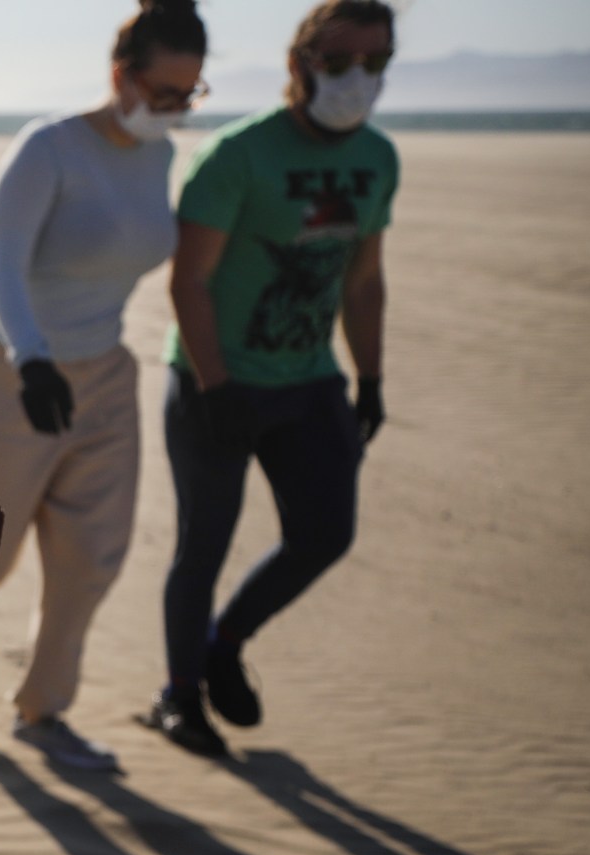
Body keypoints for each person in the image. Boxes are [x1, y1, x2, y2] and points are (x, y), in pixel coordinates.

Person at [0, 0, 209, 773]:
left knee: (92, 558)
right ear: (121, 76)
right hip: (8, 369)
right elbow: (5, 269)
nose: (174, 111)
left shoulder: (160, 156)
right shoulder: (49, 149)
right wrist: (31, 360)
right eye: (163, 93)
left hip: (105, 375)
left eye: (189, 97)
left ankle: (44, 709)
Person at [145, 0, 398, 756]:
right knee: (204, 545)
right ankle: (179, 694)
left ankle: (226, 643)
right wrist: (216, 387)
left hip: (311, 382)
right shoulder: (237, 156)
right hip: (213, 383)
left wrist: (371, 379)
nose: (358, 78)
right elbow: (189, 283)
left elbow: (364, 282)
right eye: (341, 61)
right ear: (301, 64)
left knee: (324, 534)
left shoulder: (378, 159)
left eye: (376, 62)